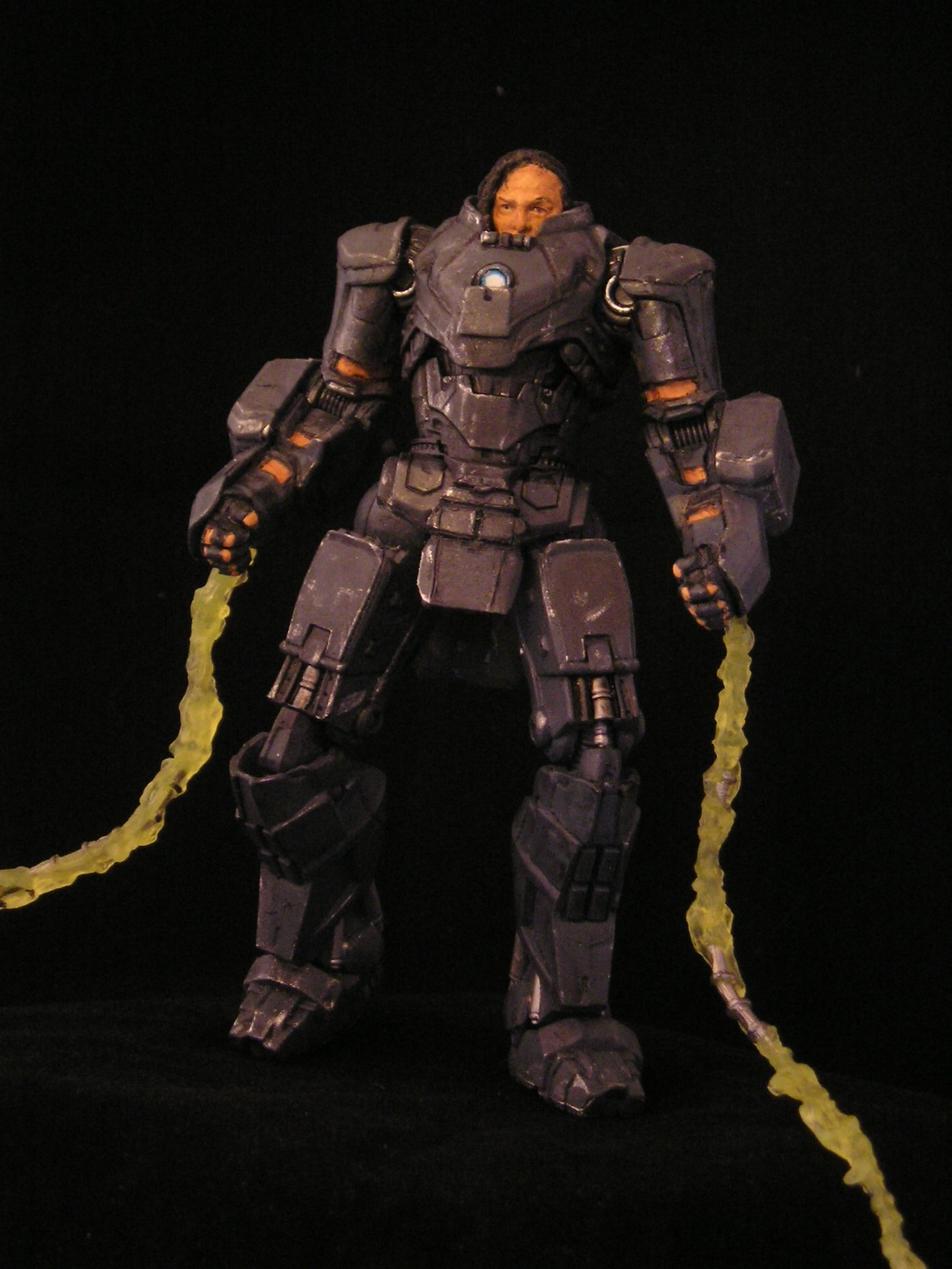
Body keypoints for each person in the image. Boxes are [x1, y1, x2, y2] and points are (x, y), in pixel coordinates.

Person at [190, 149, 797, 1116]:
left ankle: (565, 1014)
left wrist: (718, 547)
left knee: (596, 764)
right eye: (508, 201)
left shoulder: (629, 277)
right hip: (408, 508)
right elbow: (335, 397)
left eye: (541, 203)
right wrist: (252, 493)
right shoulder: (398, 261)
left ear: (569, 207)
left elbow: (689, 430)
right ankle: (312, 962)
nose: (522, 216)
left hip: (548, 518)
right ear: (482, 204)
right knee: (295, 739)